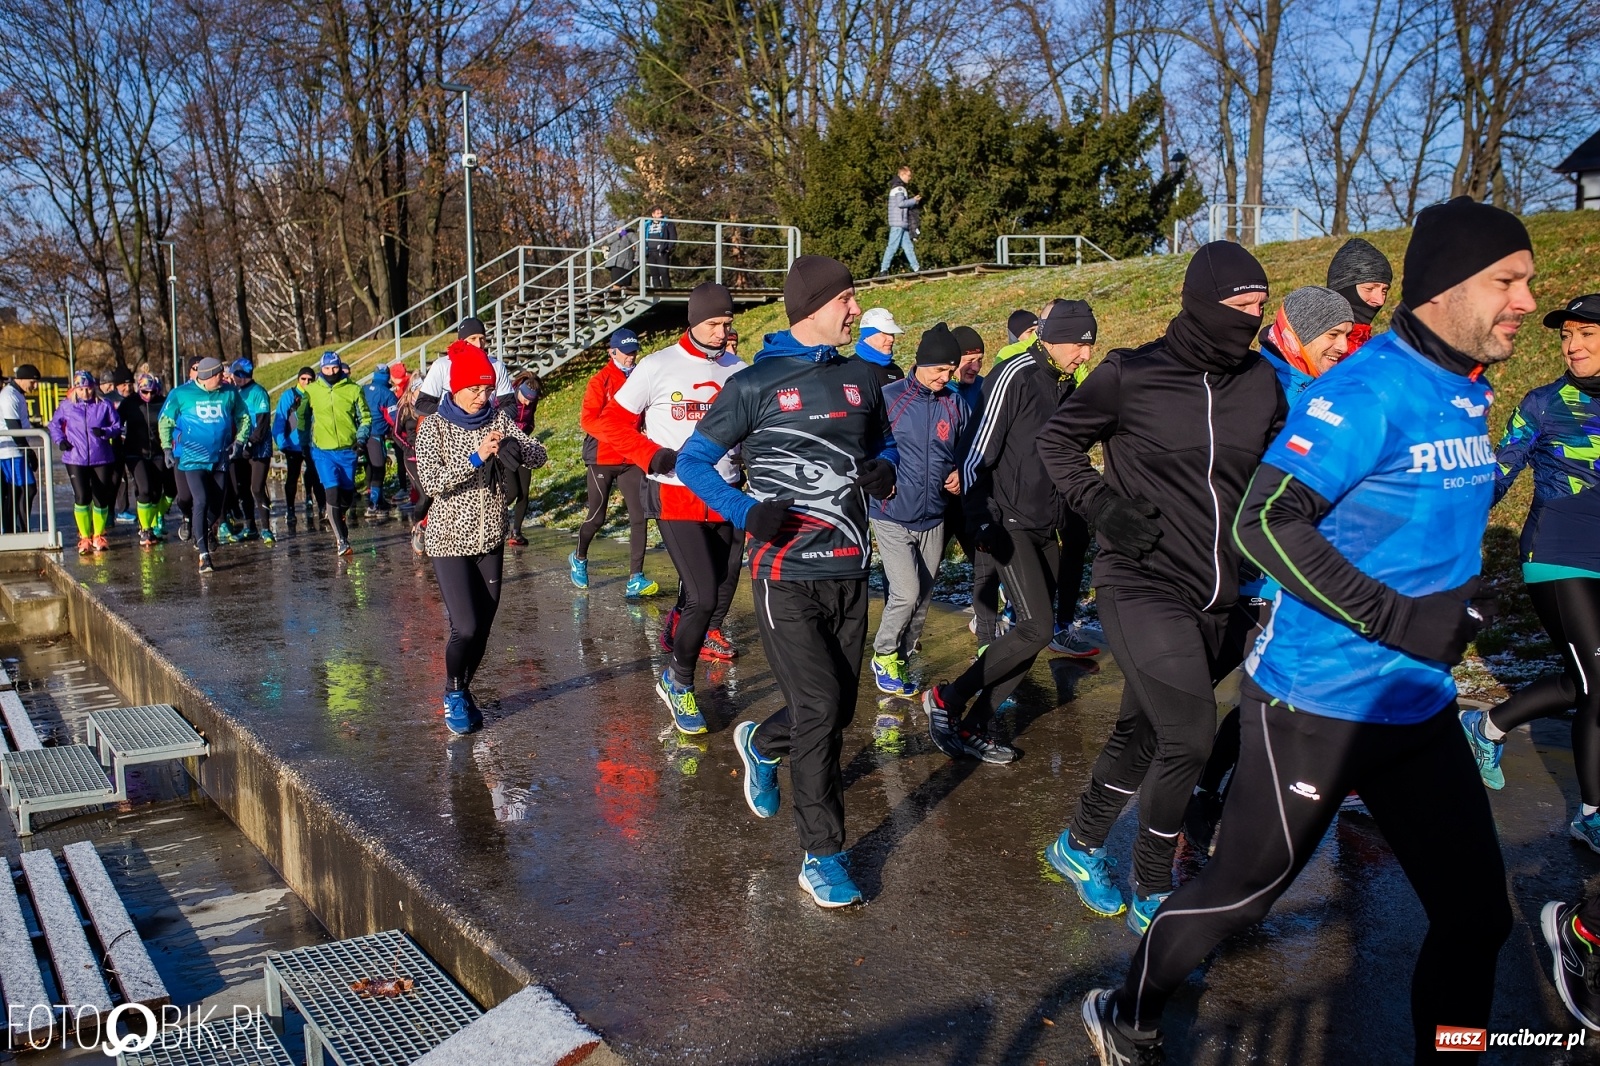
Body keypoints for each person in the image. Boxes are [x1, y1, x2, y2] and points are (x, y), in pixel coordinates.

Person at [1079, 197, 1530, 1066]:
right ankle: (1126, 1007)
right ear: (1446, 289)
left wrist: (1461, 605)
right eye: (1507, 282)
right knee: (1240, 893)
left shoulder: (1468, 389)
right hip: (1316, 705)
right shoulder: (1368, 390)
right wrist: (1404, 619)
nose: (1523, 302)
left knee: (1477, 917)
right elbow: (1264, 523)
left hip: (1416, 703)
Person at [1038, 243, 1285, 938]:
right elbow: (1056, 443)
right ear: (1206, 305)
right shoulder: (1131, 373)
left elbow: (1279, 477)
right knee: (1191, 735)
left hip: (1223, 594)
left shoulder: (1262, 383)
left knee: (1144, 731)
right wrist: (1099, 504)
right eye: (1243, 308)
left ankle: (1077, 845)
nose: (1254, 321)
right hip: (1140, 581)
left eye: (1262, 309)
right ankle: (1153, 881)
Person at [677, 254, 898, 909]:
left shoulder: (863, 379)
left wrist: (883, 470)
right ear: (813, 309)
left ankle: (761, 741)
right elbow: (695, 462)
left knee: (834, 708)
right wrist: (749, 511)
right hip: (786, 574)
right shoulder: (753, 385)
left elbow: (881, 446)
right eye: (848, 301)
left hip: (852, 569)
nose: (855, 312)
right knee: (823, 710)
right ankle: (822, 855)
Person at [1186, 285, 1356, 833]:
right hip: (1248, 566)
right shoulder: (1265, 381)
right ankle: (1185, 797)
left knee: (1265, 694)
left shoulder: (1323, 388)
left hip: (1293, 570)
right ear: (1300, 333)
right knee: (1203, 691)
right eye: (1331, 334)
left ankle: (1214, 804)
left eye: (1345, 335)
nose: (1341, 344)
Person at [921, 300, 1100, 765]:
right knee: (1037, 625)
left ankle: (975, 722)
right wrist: (980, 519)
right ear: (1053, 338)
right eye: (1079, 346)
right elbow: (977, 451)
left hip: (1046, 523)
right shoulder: (1015, 372)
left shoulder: (1064, 382)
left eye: (1090, 347)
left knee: (1035, 632)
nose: (1085, 356)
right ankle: (948, 698)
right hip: (1008, 519)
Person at [1464, 294, 1600, 847]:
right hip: (1557, 555)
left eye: (1585, 334)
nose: (1572, 345)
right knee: (1599, 683)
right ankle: (1592, 814)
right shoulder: (1544, 404)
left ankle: (1486, 724)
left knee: (1586, 682)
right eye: (1567, 335)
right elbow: (1499, 473)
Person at [596, 284, 747, 733]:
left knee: (717, 589)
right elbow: (611, 423)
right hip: (675, 492)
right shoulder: (657, 365)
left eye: (727, 323)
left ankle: (678, 629)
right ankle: (678, 681)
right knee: (703, 594)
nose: (723, 332)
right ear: (693, 321)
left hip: (726, 493)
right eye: (714, 324)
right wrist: (651, 455)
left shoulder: (740, 370)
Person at [413, 344, 547, 735]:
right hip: (449, 539)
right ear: (455, 387)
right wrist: (473, 457)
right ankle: (453, 692)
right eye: (473, 388)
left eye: (486, 389)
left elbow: (538, 455)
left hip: (490, 537)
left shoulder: (498, 420)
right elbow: (433, 483)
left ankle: (464, 688)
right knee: (466, 626)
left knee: (484, 628)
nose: (481, 396)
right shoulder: (434, 426)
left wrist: (513, 446)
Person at [868, 324, 969, 697]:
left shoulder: (955, 401)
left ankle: (902, 653)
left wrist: (960, 472)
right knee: (906, 592)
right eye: (939, 370)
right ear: (920, 363)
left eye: (951, 371)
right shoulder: (890, 397)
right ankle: (883, 654)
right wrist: (880, 476)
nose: (946, 377)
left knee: (923, 596)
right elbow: (867, 446)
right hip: (891, 512)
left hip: (934, 515)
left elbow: (965, 450)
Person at [572, 330, 649, 590]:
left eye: (634, 351)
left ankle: (635, 578)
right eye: (626, 352)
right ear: (612, 352)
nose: (631, 357)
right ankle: (579, 557)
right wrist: (617, 437)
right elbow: (587, 420)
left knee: (640, 516)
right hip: (602, 456)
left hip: (631, 458)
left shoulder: (641, 377)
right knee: (597, 517)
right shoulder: (600, 381)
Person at [159, 357, 249, 574]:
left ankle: (205, 529)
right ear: (207, 375)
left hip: (219, 458)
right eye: (219, 373)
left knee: (216, 506)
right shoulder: (182, 394)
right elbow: (165, 420)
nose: (224, 377)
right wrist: (166, 448)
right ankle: (204, 555)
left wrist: (239, 441)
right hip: (192, 459)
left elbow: (244, 416)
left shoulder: (229, 393)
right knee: (201, 500)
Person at [300, 351, 371, 556]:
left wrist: (361, 439)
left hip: (348, 451)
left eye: (334, 368)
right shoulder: (312, 391)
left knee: (347, 496)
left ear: (340, 367)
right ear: (321, 369)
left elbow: (365, 418)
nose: (331, 372)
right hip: (322, 451)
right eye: (326, 368)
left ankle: (339, 516)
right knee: (331, 492)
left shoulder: (354, 389)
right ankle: (342, 541)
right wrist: (305, 444)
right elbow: (303, 418)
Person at [50, 370, 124, 554]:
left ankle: (98, 535)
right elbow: (54, 424)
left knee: (100, 498)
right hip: (75, 457)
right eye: (81, 389)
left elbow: (117, 426)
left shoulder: (104, 405)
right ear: (75, 389)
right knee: (82, 496)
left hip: (102, 457)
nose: (85, 393)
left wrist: (105, 432)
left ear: (94, 388)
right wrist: (61, 440)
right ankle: (84, 538)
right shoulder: (67, 405)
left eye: (89, 389)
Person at [119, 373, 175, 547]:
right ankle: (145, 528)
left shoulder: (164, 402)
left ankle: (157, 518)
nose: (149, 396)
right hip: (135, 452)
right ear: (139, 389)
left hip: (158, 451)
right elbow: (115, 422)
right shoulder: (130, 403)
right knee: (144, 490)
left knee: (158, 493)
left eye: (152, 392)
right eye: (145, 392)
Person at [417, 318, 514, 414]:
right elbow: (422, 405)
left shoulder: (497, 366)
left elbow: (510, 407)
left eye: (482, 339)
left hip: (486, 425)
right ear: (461, 341)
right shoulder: (442, 365)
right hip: (449, 425)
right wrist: (455, 416)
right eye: (473, 338)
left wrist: (490, 419)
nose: (479, 344)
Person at [225, 359, 274, 543]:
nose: (232, 378)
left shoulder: (258, 392)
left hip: (259, 449)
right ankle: (249, 526)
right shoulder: (234, 392)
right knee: (241, 488)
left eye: (235, 375)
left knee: (257, 488)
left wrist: (251, 443)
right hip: (239, 447)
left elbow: (262, 423)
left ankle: (267, 529)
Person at [274, 366, 325, 532]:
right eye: (303, 379)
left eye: (310, 379)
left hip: (312, 443)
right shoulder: (289, 395)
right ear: (298, 379)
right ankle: (290, 509)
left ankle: (322, 508)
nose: (306, 382)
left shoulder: (316, 393)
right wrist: (282, 443)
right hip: (293, 444)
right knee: (292, 477)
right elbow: (280, 421)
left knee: (316, 476)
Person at [1326, 236, 1393, 353]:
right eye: (1369, 288)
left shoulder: (1371, 348)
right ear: (1345, 289)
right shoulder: (1315, 347)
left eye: (1384, 291)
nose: (1380, 301)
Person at [0, 364, 41, 534]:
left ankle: (16, 528)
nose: (35, 386)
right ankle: (19, 529)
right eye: (32, 382)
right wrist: (29, 451)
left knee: (20, 491)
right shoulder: (9, 396)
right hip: (11, 452)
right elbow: (13, 427)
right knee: (27, 489)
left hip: (16, 451)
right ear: (21, 379)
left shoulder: (18, 394)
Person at [503, 375, 540, 547]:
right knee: (512, 492)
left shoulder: (532, 401)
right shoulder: (508, 398)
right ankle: (491, 515)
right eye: (524, 399)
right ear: (519, 392)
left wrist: (527, 434)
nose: (526, 403)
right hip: (507, 449)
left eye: (530, 401)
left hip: (524, 446)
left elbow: (530, 421)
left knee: (524, 493)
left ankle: (516, 532)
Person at [362, 364, 397, 521]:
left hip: (361, 434)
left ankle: (378, 499)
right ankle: (373, 505)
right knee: (378, 469)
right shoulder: (388, 395)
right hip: (376, 434)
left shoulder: (362, 389)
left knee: (369, 466)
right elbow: (394, 417)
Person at [879, 166, 922, 275]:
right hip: (898, 223)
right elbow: (900, 203)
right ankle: (883, 269)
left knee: (908, 247)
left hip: (902, 223)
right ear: (902, 174)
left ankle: (916, 268)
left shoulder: (898, 187)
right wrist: (914, 200)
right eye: (909, 175)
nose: (910, 178)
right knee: (892, 246)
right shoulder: (899, 188)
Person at [108, 367, 136, 523]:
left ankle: (127, 509)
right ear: (116, 385)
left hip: (134, 443)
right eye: (123, 385)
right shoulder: (108, 399)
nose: (127, 388)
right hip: (116, 444)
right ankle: (110, 512)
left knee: (137, 478)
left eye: (130, 384)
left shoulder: (137, 398)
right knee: (115, 479)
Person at [852, 307, 906, 388]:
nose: (891, 339)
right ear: (868, 335)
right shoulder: (849, 369)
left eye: (892, 334)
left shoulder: (896, 372)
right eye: (884, 333)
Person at [644, 208, 678, 290]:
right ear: (653, 215)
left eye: (661, 213)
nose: (660, 215)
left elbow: (673, 236)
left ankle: (668, 290)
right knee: (654, 273)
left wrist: (668, 248)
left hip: (662, 251)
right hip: (650, 251)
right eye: (658, 213)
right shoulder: (646, 224)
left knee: (664, 272)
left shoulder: (667, 223)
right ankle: (657, 290)